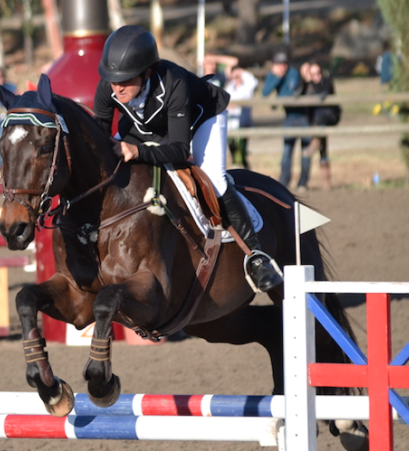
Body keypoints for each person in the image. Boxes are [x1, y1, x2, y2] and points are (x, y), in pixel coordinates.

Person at [94, 25, 282, 292]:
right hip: (151, 124)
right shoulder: (108, 87)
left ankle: (257, 256)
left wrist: (137, 151)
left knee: (214, 179)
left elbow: (180, 150)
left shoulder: (175, 83)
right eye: (113, 78)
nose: (117, 87)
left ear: (147, 73)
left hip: (202, 117)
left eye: (125, 80)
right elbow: (100, 135)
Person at [261, 52, 311, 191]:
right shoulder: (274, 75)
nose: (282, 68)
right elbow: (265, 93)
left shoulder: (293, 74)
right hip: (289, 118)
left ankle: (303, 182)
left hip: (303, 117)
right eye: (279, 65)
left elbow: (291, 95)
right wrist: (277, 78)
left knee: (305, 151)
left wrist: (276, 100)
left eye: (284, 65)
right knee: (287, 152)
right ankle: (284, 182)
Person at [300, 61, 341, 190]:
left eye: (318, 73)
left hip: (329, 115)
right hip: (317, 121)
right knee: (323, 148)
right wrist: (306, 79)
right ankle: (326, 183)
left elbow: (322, 94)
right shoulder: (307, 84)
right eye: (313, 74)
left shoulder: (327, 82)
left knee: (320, 119)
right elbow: (298, 93)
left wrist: (311, 81)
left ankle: (315, 142)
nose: (316, 76)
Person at [224, 66, 258, 169]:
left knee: (242, 149)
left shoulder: (246, 87)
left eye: (239, 76)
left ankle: (245, 169)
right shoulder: (229, 88)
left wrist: (242, 71)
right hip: (231, 122)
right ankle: (237, 168)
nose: (237, 78)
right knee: (233, 148)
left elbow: (253, 82)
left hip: (242, 121)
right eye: (235, 76)